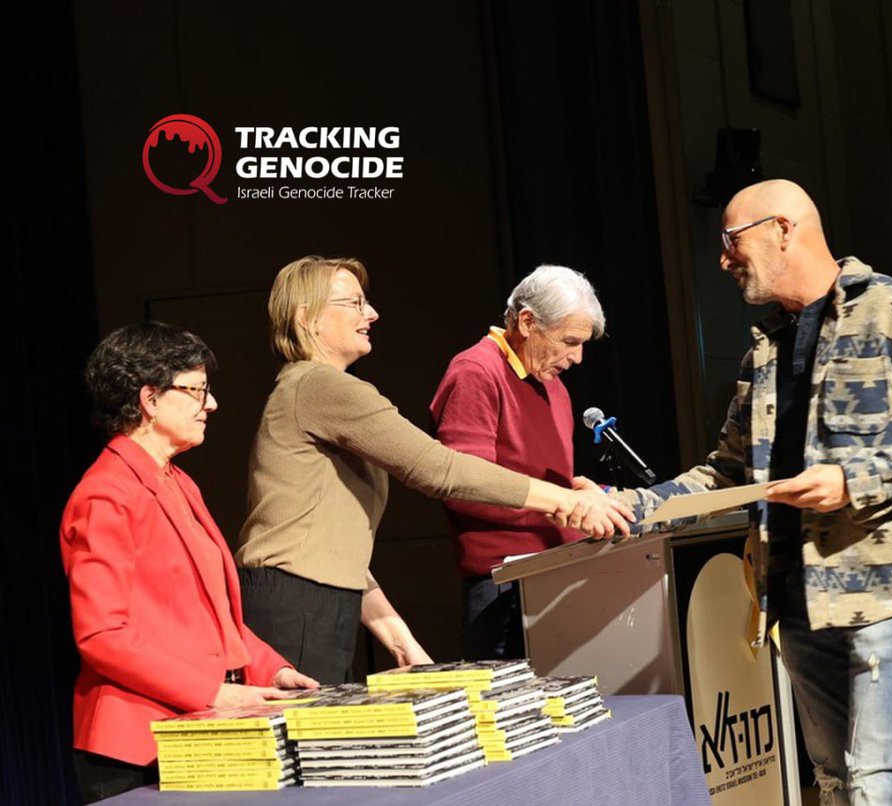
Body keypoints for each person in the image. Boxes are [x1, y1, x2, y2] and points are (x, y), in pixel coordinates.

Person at [615, 179, 892, 803]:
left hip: (889, 592)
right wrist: (632, 505)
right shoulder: (763, 351)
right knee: (836, 782)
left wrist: (853, 480)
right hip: (794, 599)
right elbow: (728, 471)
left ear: (783, 228)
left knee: (877, 784)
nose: (723, 258)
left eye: (731, 240)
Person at [235, 256, 631, 683]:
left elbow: (332, 546)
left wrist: (402, 642)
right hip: (295, 604)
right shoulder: (321, 385)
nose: (371, 313)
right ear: (306, 317)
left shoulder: (314, 389)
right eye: (354, 303)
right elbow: (439, 469)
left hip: (317, 601)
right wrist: (567, 500)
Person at [60, 322, 319, 804]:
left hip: (196, 729)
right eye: (197, 390)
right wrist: (212, 691)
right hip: (135, 748)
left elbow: (213, 616)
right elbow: (101, 635)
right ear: (149, 400)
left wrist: (271, 669)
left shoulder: (176, 480)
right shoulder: (105, 495)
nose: (212, 404)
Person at [430, 264, 605, 660]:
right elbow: (463, 487)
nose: (577, 357)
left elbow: (550, 482)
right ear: (527, 322)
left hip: (558, 572)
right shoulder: (476, 372)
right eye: (570, 341)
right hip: (505, 588)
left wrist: (595, 497)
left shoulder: (552, 384)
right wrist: (565, 505)